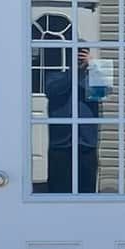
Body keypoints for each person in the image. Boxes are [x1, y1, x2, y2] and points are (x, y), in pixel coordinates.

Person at [41, 45, 109, 192]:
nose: (79, 57)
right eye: (76, 53)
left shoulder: (96, 72)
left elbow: (102, 92)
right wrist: (74, 72)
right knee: (58, 190)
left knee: (86, 189)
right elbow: (53, 91)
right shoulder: (56, 73)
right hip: (60, 142)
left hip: (86, 143)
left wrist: (94, 66)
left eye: (83, 52)